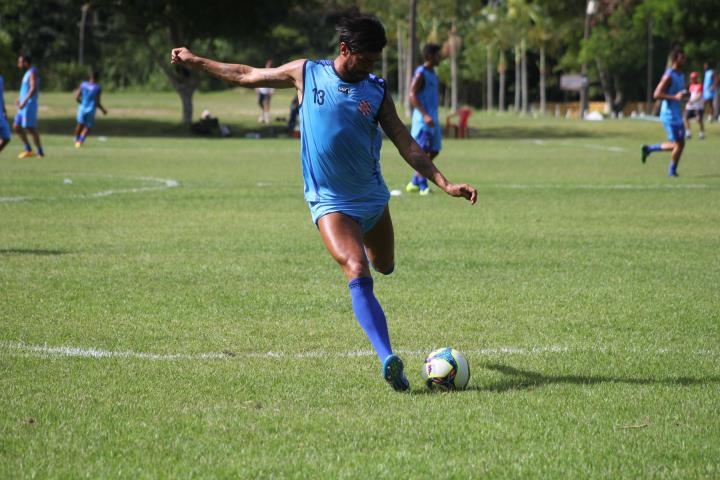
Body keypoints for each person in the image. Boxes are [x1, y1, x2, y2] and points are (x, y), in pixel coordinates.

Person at [170, 12, 477, 392]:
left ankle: (370, 258)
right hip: (329, 201)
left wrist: (444, 183)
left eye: (374, 62)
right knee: (356, 266)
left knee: (386, 266)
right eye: (364, 59)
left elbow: (404, 141)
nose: (369, 67)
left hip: (372, 198)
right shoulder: (306, 73)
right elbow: (244, 74)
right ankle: (388, 358)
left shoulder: (376, 90)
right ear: (344, 49)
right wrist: (196, 60)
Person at [641, 47, 687, 177]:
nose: (684, 59)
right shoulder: (669, 75)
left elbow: (678, 93)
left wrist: (684, 96)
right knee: (678, 144)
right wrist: (675, 97)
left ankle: (649, 149)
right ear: (675, 59)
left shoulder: (681, 75)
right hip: (669, 115)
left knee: (679, 144)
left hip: (677, 114)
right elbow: (657, 94)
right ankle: (671, 172)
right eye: (681, 57)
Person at [406, 43, 442, 195]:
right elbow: (412, 94)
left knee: (434, 149)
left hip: (433, 117)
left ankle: (415, 181)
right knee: (423, 151)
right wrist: (425, 114)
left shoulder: (433, 73)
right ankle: (422, 185)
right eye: (437, 55)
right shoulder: (421, 73)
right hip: (423, 119)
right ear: (429, 56)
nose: (440, 57)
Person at [14, 55, 44, 158]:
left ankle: (40, 152)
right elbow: (26, 88)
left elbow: (33, 88)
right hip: (23, 105)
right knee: (16, 126)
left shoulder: (33, 71)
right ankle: (28, 150)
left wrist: (24, 102)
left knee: (30, 128)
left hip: (29, 105)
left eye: (20, 62)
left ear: (26, 62)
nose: (19, 64)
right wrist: (20, 99)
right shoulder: (27, 73)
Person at [74, 71, 107, 148]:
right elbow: (97, 102)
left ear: (89, 77)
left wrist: (81, 103)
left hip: (82, 108)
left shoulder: (83, 85)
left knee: (79, 125)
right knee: (87, 127)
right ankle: (80, 142)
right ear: (97, 78)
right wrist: (103, 110)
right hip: (91, 109)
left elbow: (77, 97)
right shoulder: (97, 88)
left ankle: (76, 140)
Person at [684, 71, 705, 140]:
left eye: (693, 78)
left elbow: (699, 96)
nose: (692, 79)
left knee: (699, 120)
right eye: (691, 78)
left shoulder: (700, 86)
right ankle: (688, 133)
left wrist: (692, 101)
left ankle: (701, 133)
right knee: (686, 117)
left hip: (698, 107)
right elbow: (690, 95)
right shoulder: (691, 86)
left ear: (696, 78)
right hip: (690, 106)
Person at [256, 59, 274, 123]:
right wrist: (257, 88)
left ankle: (266, 118)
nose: (268, 66)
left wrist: (272, 91)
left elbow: (273, 83)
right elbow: (258, 80)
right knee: (259, 102)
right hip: (261, 91)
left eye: (270, 65)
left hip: (267, 92)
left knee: (266, 104)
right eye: (268, 64)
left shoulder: (273, 73)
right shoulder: (262, 71)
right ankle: (263, 115)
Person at [0, 70, 10, 154]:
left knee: (6, 137)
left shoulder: (1, 79)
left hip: (0, 114)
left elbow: (1, 97)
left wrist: (4, 111)